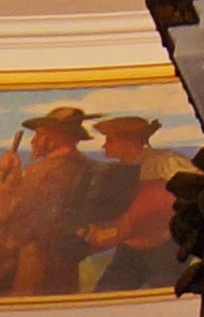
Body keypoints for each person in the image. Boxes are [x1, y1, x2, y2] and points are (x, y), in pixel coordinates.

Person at [0, 105, 97, 296]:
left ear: (54, 137)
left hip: (34, 261)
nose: (34, 141)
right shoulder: (86, 166)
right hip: (65, 263)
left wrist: (5, 178)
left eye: (39, 134)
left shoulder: (41, 171)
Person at [77, 114, 182, 293]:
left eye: (110, 140)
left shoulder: (165, 162)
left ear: (128, 141)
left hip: (164, 250)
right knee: (103, 297)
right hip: (129, 249)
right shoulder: (117, 172)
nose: (104, 145)